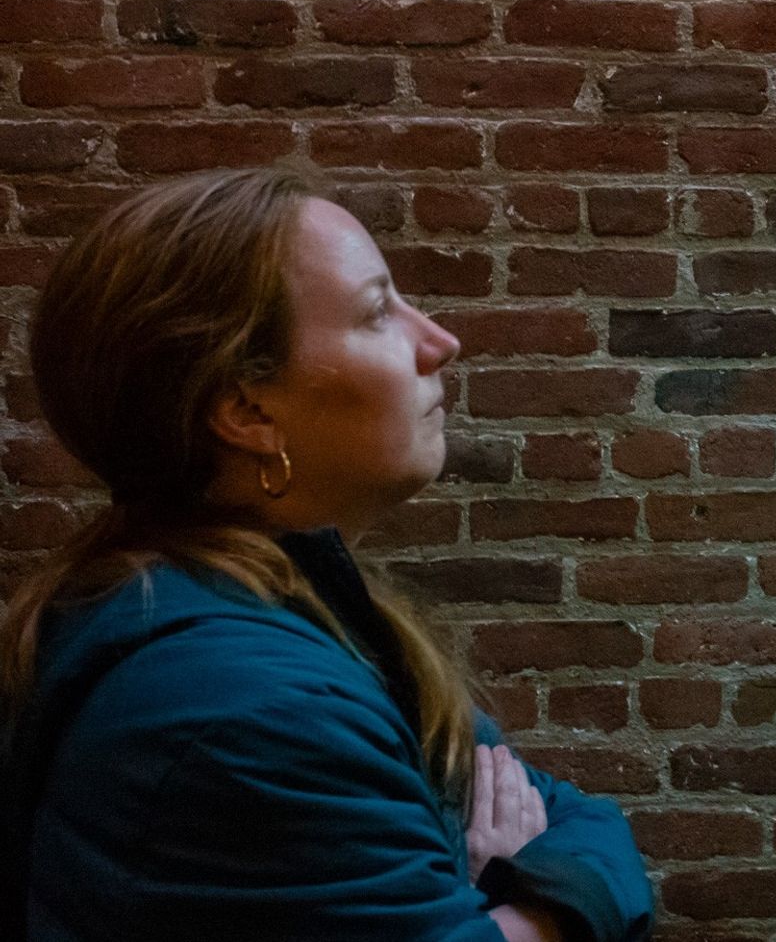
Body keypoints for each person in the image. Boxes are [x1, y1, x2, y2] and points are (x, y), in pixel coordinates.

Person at [0, 170, 654, 941]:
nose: (440, 341)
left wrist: (507, 886)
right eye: (378, 311)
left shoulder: (266, 608)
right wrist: (545, 909)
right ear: (245, 408)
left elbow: (566, 810)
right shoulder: (250, 708)